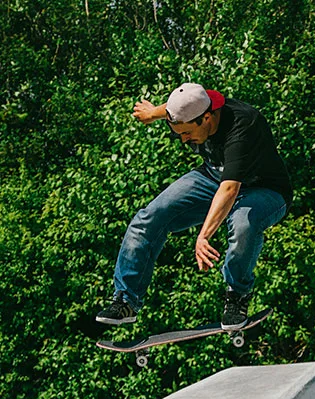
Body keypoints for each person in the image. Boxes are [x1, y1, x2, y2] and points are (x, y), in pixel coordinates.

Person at [96, 82, 292, 330]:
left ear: (207, 118)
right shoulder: (193, 106)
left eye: (187, 133)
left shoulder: (244, 124)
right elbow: (172, 107)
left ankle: (237, 296)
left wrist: (204, 236)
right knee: (148, 217)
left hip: (265, 190)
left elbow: (230, 189)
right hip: (212, 179)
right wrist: (150, 114)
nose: (184, 139)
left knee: (244, 223)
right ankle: (126, 301)